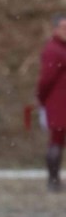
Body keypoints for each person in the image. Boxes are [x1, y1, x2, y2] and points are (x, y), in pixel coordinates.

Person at [36, 14, 66, 193]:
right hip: (58, 102)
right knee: (56, 141)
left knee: (57, 142)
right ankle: (53, 180)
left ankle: (54, 180)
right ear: (55, 29)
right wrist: (42, 99)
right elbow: (46, 79)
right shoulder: (53, 49)